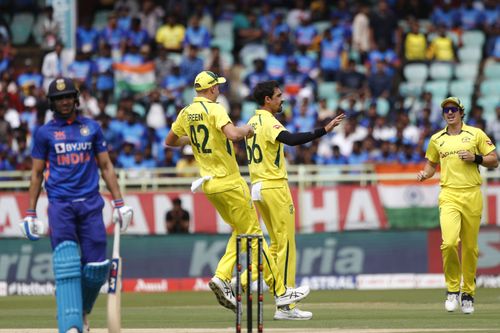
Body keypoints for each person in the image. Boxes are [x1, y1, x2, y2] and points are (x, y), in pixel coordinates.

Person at [165, 70, 310, 314]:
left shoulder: (185, 112)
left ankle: (223, 276)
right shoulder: (215, 108)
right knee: (254, 234)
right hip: (230, 182)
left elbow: (170, 140)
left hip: (209, 185)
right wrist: (246, 131)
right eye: (217, 87)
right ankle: (282, 292)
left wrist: (193, 141)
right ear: (211, 90)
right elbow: (233, 135)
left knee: (240, 231)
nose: (219, 90)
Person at [19, 78, 133, 333]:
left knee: (95, 269)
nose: (65, 101)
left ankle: (81, 310)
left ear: (76, 98)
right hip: (60, 206)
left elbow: (106, 166)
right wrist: (30, 213)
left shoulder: (91, 128)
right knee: (67, 265)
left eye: (68, 96)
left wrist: (120, 203)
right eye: (59, 98)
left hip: (91, 204)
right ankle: (71, 323)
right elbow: (37, 174)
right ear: (52, 102)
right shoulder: (44, 133)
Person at [245, 80, 345, 320]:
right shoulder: (269, 121)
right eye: (278, 96)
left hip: (258, 186)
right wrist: (324, 130)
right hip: (274, 186)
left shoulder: (251, 121)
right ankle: (286, 305)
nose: (282, 99)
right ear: (267, 100)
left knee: (275, 246)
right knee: (287, 245)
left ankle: (246, 279)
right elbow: (291, 140)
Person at [417, 97, 498, 315]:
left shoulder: (476, 134)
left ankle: (468, 293)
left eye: (453, 109)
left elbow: (494, 159)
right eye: (446, 110)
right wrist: (425, 174)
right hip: (449, 195)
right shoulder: (437, 139)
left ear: (461, 112)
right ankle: (452, 289)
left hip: (472, 194)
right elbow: (431, 164)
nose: (449, 113)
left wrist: (475, 158)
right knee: (450, 243)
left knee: (470, 248)